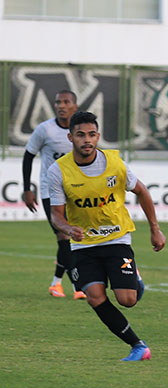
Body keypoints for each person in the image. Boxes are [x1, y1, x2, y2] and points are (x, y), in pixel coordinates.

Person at [48, 111, 166, 361]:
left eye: (91, 134)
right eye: (80, 135)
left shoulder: (115, 164)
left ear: (98, 136)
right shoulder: (58, 171)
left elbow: (142, 192)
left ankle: (134, 277)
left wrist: (155, 228)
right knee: (94, 296)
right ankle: (138, 346)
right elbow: (56, 215)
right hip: (82, 245)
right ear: (71, 138)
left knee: (128, 300)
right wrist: (68, 229)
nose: (87, 140)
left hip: (116, 238)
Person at [21, 89, 85, 299]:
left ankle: (56, 283)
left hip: (75, 192)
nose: (61, 105)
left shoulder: (81, 132)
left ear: (75, 106)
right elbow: (28, 157)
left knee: (72, 238)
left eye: (66, 102)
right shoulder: (44, 129)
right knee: (63, 235)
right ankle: (76, 286)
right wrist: (27, 189)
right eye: (58, 102)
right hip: (51, 191)